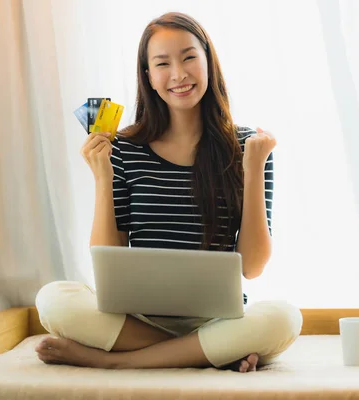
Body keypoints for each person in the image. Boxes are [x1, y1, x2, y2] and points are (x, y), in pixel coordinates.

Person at [34, 12, 302, 373]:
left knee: (284, 319)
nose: (178, 74)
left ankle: (115, 363)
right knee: (53, 300)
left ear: (209, 61)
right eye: (163, 63)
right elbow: (107, 261)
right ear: (148, 76)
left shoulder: (249, 147)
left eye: (189, 57)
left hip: (215, 322)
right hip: (137, 321)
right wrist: (102, 178)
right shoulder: (124, 148)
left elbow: (252, 266)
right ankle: (205, 353)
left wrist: (252, 169)